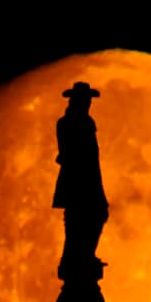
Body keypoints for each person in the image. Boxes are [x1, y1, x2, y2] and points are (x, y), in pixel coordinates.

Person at [52, 82, 108, 279]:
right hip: (78, 178)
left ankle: (83, 256)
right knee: (80, 218)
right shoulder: (69, 122)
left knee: (94, 215)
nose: (87, 103)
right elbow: (71, 153)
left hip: (88, 176)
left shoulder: (84, 121)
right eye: (84, 99)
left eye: (88, 100)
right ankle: (76, 257)